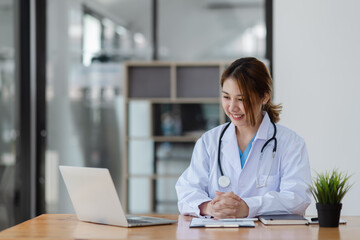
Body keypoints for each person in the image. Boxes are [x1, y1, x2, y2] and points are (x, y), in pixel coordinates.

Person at [175, 57, 311, 219]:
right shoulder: (209, 141)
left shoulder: (290, 143)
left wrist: (248, 207)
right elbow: (187, 190)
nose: (232, 107)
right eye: (226, 97)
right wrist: (210, 207)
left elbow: (297, 198)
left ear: (264, 97)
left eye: (241, 99)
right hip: (218, 234)